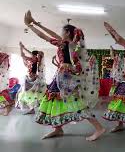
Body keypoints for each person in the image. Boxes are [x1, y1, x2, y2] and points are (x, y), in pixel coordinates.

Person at [24, 10, 105, 141]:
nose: (60, 34)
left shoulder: (65, 44)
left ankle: (99, 128)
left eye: (62, 31)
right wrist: (35, 23)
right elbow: (51, 33)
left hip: (65, 78)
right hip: (61, 75)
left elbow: (44, 36)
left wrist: (30, 26)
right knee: (54, 99)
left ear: (67, 33)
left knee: (76, 103)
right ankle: (58, 129)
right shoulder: (68, 44)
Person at [16, 42, 46, 115]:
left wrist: (22, 48)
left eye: (33, 55)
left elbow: (24, 55)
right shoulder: (33, 60)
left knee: (31, 93)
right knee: (30, 94)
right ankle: (32, 109)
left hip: (33, 79)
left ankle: (35, 108)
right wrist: (23, 48)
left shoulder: (35, 59)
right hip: (30, 78)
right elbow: (23, 55)